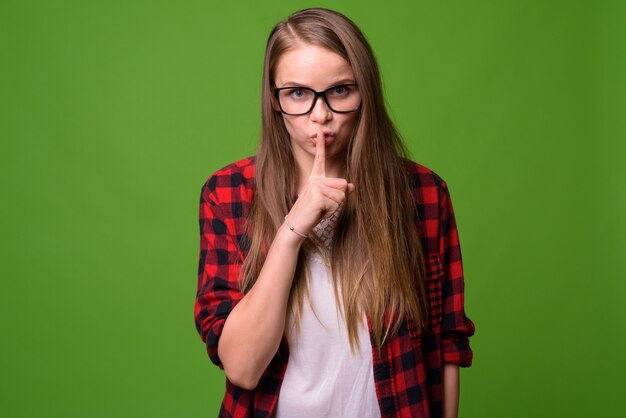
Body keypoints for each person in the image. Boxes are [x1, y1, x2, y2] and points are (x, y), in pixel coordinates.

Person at [195, 8, 475, 418]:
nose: (320, 115)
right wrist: (292, 231)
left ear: (366, 92)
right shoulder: (228, 194)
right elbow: (243, 368)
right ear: (274, 100)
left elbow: (447, 343)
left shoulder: (424, 193)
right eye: (297, 93)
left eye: (340, 90)